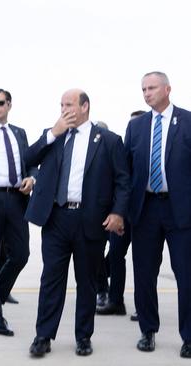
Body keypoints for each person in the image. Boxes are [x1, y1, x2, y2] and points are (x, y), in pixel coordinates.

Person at [24, 89, 130, 357]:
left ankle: (83, 336)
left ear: (85, 107)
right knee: (51, 280)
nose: (64, 109)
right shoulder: (54, 136)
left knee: (87, 282)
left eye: (69, 104)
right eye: (61, 104)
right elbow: (27, 158)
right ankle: (43, 336)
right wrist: (52, 133)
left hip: (90, 219)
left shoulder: (108, 140)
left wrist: (118, 213)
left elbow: (123, 181)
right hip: (56, 218)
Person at [124, 72, 191, 358]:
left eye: (151, 88)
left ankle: (189, 337)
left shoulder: (188, 121)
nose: (146, 93)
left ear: (167, 89)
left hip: (181, 211)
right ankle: (148, 331)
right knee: (144, 273)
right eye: (143, 89)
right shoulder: (136, 126)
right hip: (146, 209)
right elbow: (125, 171)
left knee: (186, 275)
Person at [0, 88, 36, 337]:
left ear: (9, 104)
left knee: (21, 254)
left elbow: (31, 162)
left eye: (0, 103)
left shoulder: (19, 133)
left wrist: (32, 178)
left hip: (16, 199)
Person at [96, 111, 145, 320]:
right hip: (123, 214)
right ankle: (116, 301)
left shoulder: (149, 152)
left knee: (143, 261)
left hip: (145, 214)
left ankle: (144, 307)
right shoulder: (123, 153)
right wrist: (118, 213)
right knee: (115, 255)